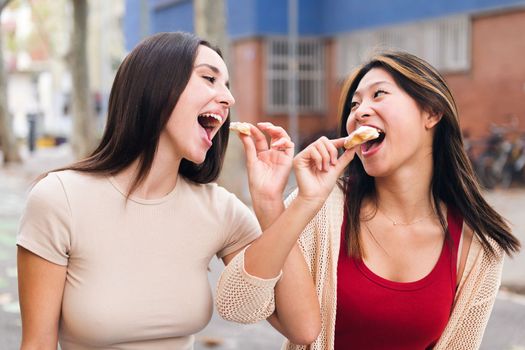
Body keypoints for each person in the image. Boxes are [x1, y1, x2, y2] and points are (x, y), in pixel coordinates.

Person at [216, 50, 521, 349]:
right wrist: (275, 204)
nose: (359, 112)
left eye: (379, 95)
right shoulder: (322, 208)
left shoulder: (478, 244)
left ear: (432, 112)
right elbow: (238, 306)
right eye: (354, 105)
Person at [16, 31, 300, 349]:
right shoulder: (59, 199)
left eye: (228, 87)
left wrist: (270, 202)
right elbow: (38, 343)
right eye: (209, 78)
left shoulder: (220, 210)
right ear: (156, 85)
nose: (228, 99)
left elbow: (301, 327)